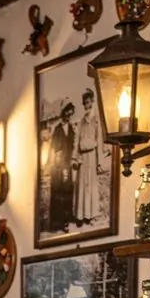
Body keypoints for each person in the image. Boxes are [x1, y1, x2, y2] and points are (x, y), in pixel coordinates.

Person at [73, 88, 102, 226]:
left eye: (89, 102)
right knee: (81, 186)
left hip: (91, 157)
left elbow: (99, 140)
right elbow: (77, 140)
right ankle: (80, 215)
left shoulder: (96, 121)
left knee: (90, 185)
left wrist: (99, 160)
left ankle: (91, 215)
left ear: (93, 102)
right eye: (85, 103)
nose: (87, 106)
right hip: (83, 159)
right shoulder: (81, 122)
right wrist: (75, 157)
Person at [48, 102, 76, 234]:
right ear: (63, 113)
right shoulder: (58, 129)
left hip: (67, 164)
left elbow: (72, 146)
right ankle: (56, 221)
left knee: (67, 191)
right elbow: (54, 148)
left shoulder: (71, 129)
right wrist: (56, 164)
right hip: (59, 166)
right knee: (58, 191)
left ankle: (66, 219)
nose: (69, 115)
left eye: (71, 113)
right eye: (67, 112)